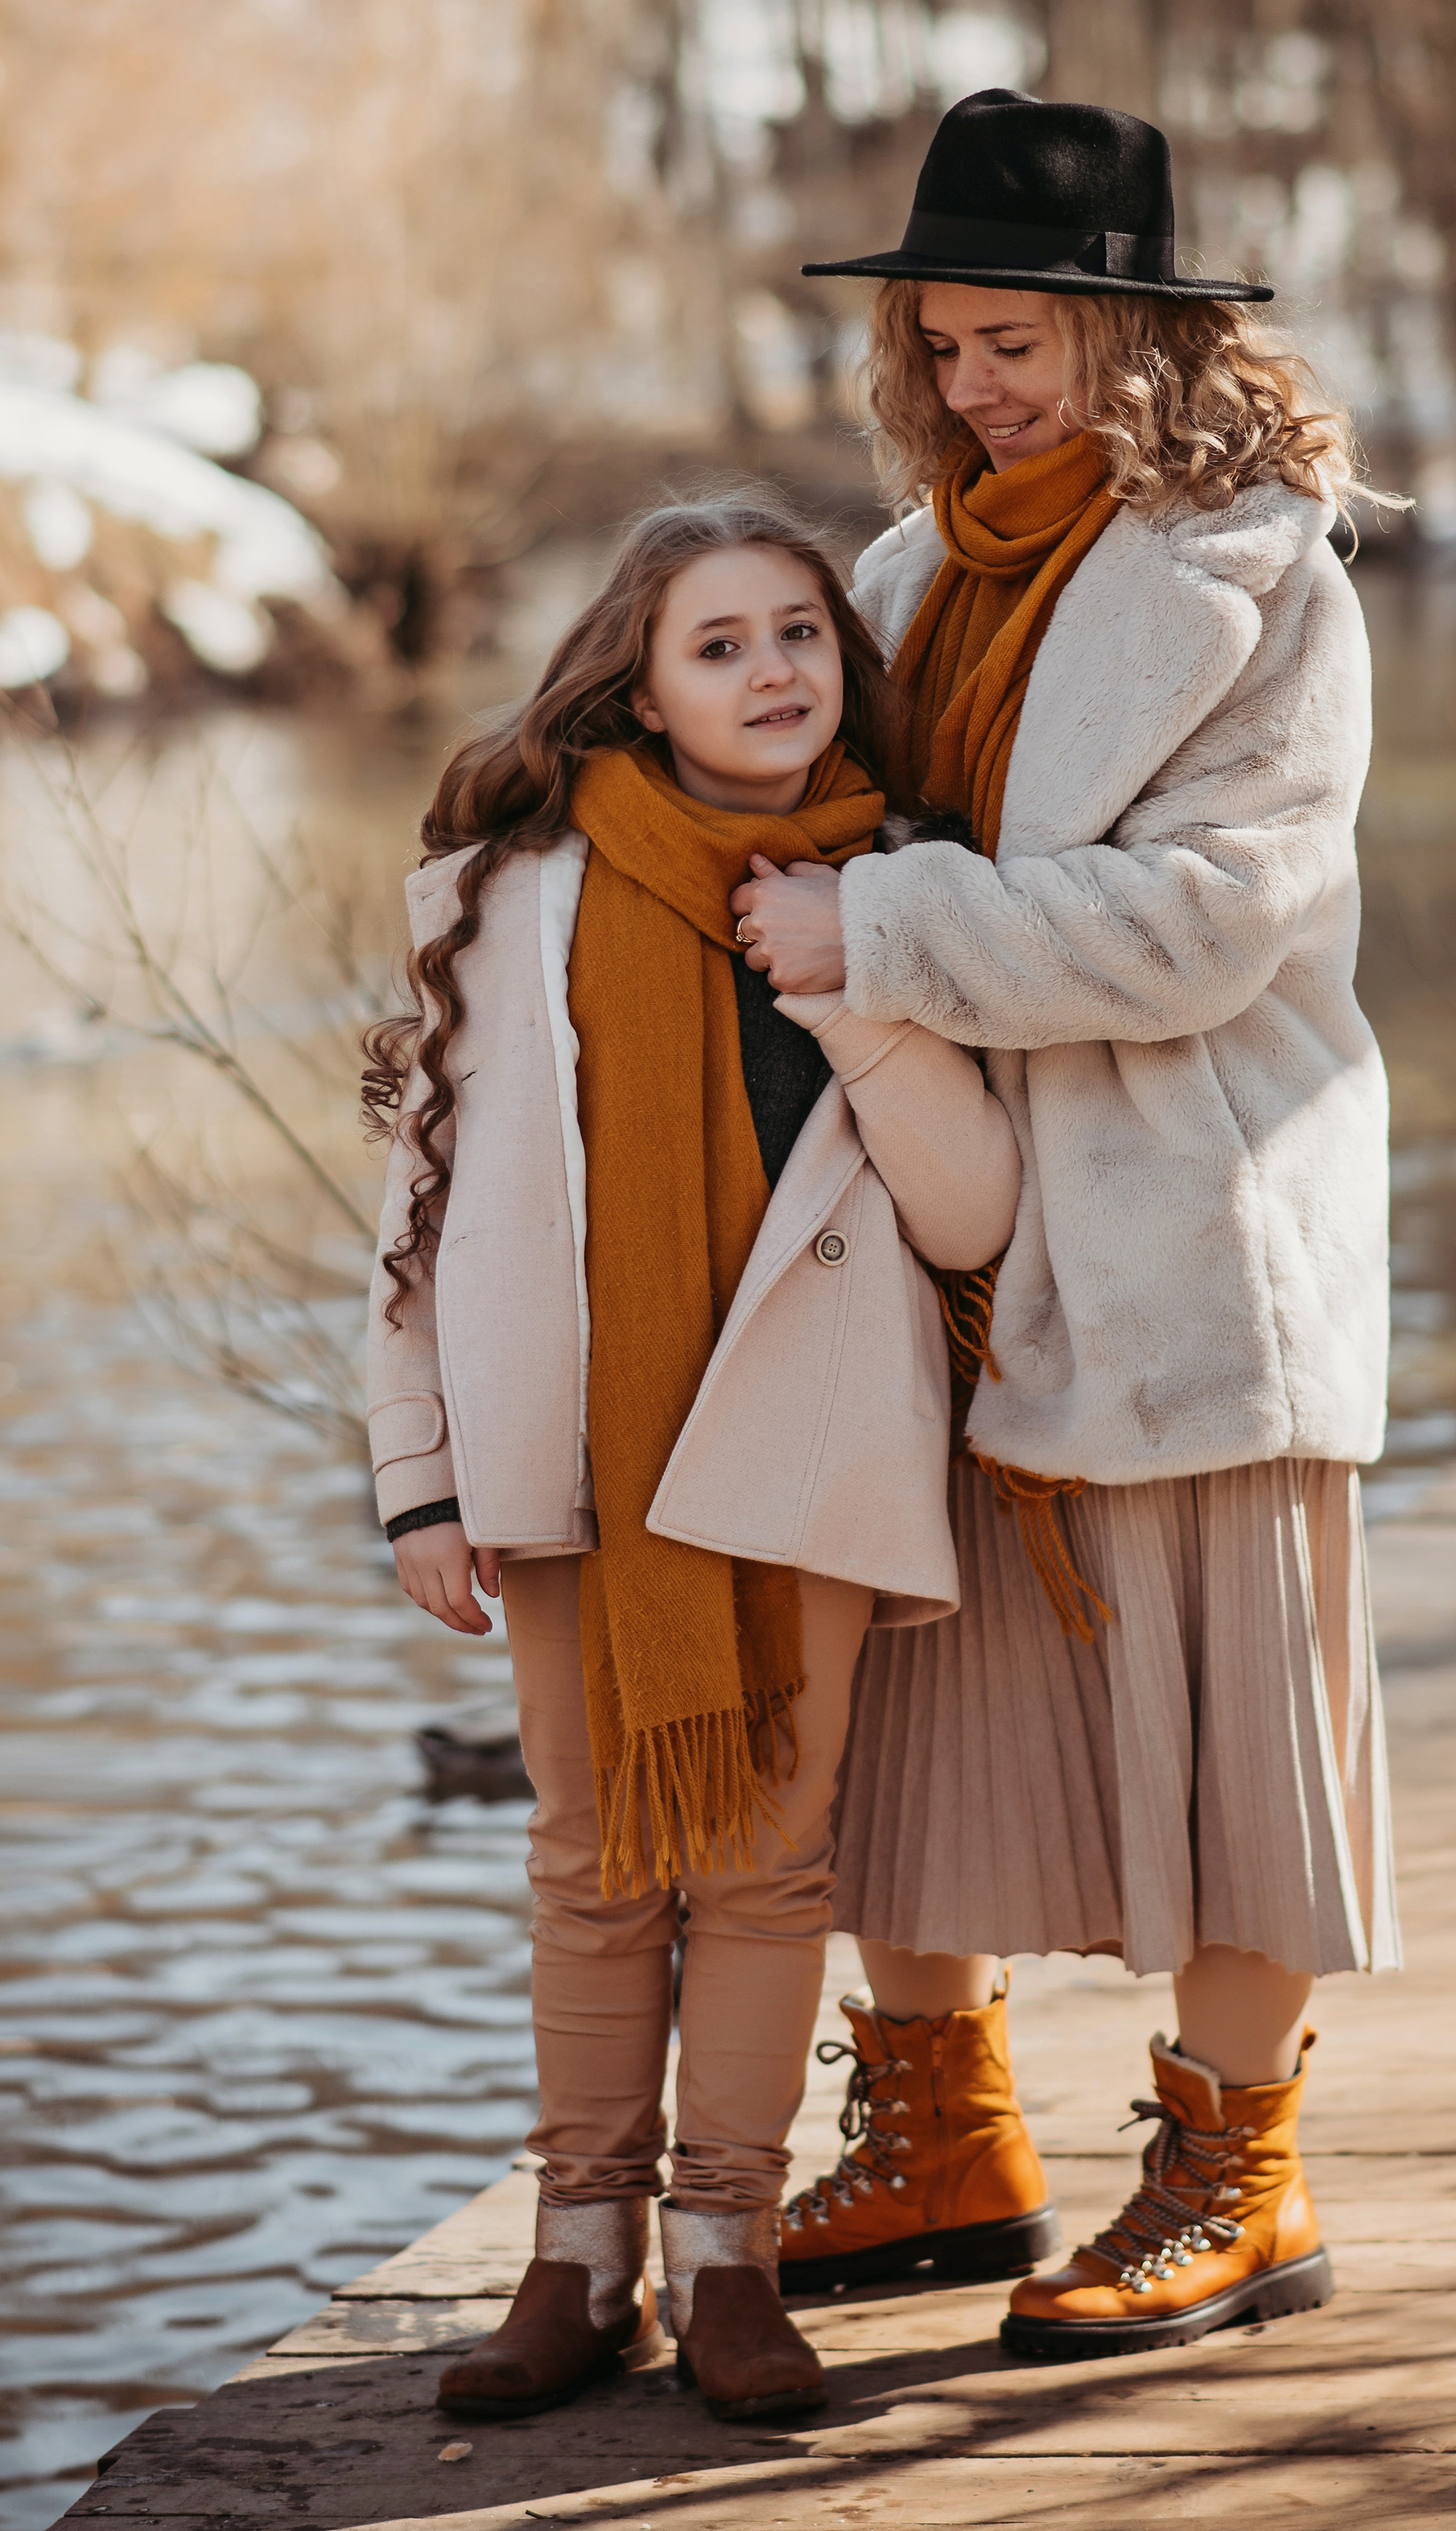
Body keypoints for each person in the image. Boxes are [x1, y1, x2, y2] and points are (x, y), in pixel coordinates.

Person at [732, 89, 1398, 2359]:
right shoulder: (908, 576)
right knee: (925, 1713)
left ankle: (1240, 2170)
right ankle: (944, 2137)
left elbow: (1212, 925)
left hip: (1195, 1221)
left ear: (1133, 334)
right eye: (938, 343)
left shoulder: (1261, 587)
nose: (967, 385)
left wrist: (883, 933)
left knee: (1236, 1737)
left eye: (1010, 341)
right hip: (953, 1234)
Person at [360, 502, 1027, 2422]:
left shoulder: (902, 886)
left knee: (765, 1864)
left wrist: (848, 983)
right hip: (570, 1443)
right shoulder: (512, 887)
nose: (771, 674)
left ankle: (725, 2254)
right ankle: (579, 2258)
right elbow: (412, 1207)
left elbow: (970, 1215)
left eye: (799, 634)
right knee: (587, 1860)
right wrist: (417, 1475)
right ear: (636, 684)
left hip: (805, 1441)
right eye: (719, 644)